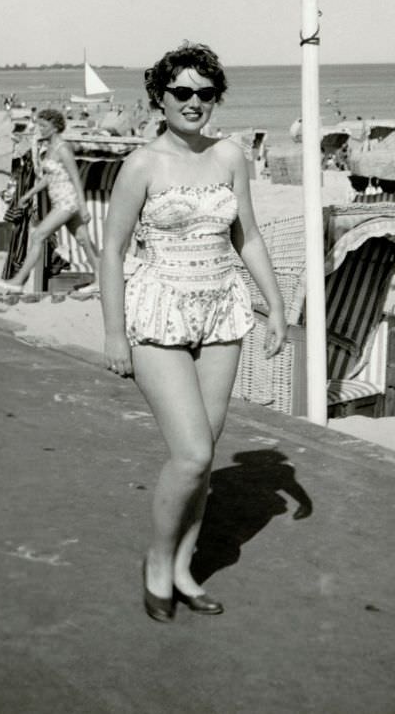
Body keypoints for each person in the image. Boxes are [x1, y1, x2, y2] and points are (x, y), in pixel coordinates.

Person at [100, 42, 287, 623]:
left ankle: (184, 567)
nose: (193, 103)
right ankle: (157, 562)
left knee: (203, 462)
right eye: (181, 92)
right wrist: (113, 333)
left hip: (221, 311)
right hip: (158, 311)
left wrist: (275, 307)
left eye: (205, 94)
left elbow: (248, 236)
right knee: (192, 453)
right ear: (159, 97)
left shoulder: (231, 156)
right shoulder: (141, 165)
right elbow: (111, 250)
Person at [0, 108, 100, 293]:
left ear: (55, 127)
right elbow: (48, 178)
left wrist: (83, 207)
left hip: (68, 202)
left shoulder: (63, 148)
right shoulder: (50, 148)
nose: (40, 129)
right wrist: (28, 194)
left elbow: (76, 178)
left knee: (38, 235)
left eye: (44, 126)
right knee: (84, 239)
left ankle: (18, 281)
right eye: (39, 125)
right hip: (61, 201)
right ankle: (101, 279)